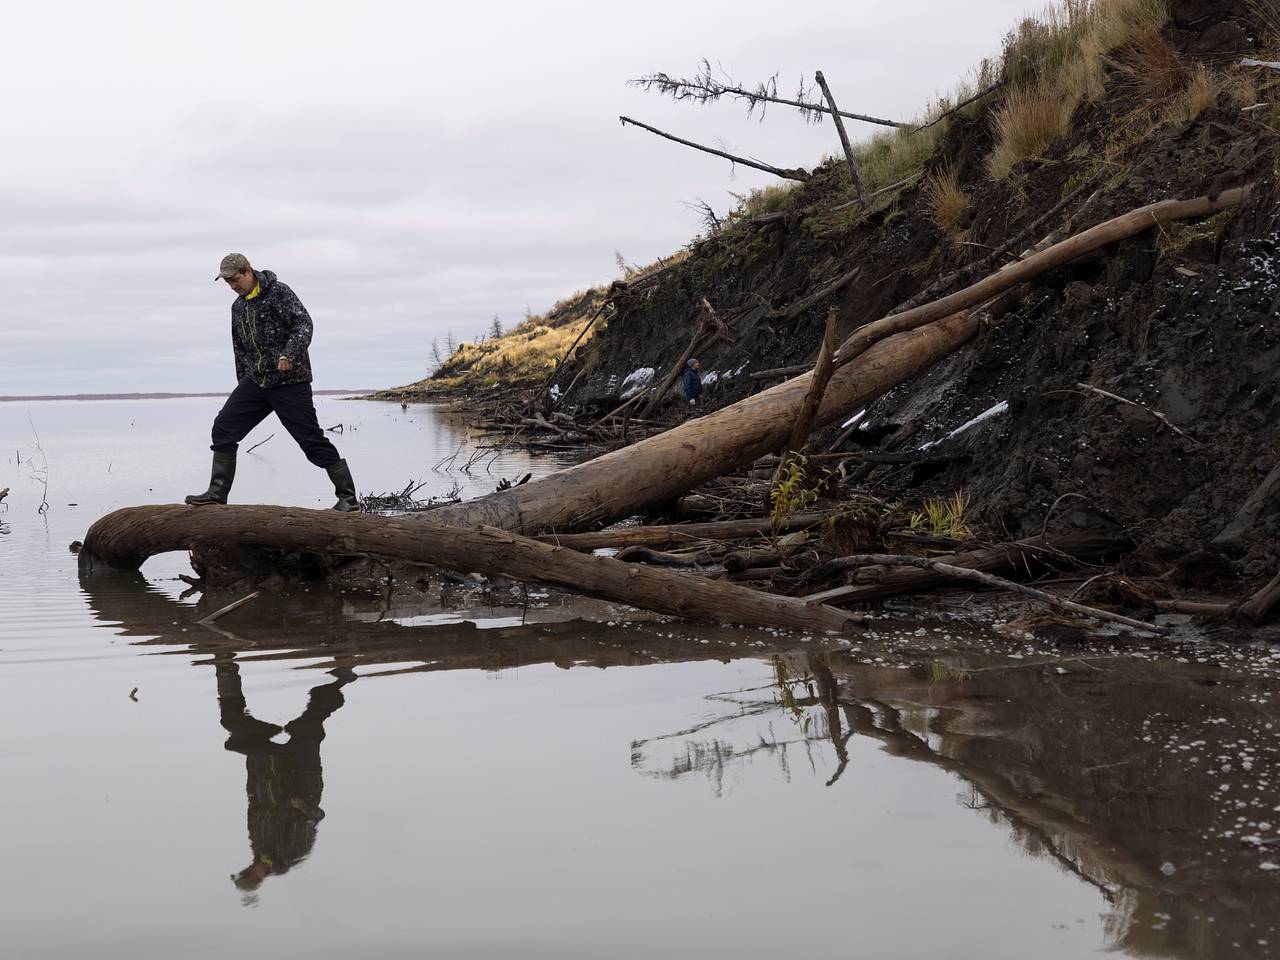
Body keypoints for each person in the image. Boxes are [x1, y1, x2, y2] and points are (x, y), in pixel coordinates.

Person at [185, 253, 359, 511]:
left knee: (310, 440)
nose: (232, 286)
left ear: (248, 271)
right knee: (223, 428)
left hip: (290, 381)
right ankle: (217, 493)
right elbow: (239, 349)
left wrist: (289, 353)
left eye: (235, 279)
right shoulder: (238, 307)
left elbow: (304, 324)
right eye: (228, 283)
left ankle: (348, 498)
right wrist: (242, 383)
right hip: (255, 382)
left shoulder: (279, 292)